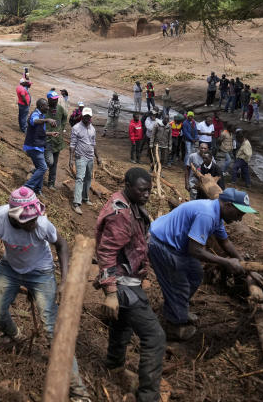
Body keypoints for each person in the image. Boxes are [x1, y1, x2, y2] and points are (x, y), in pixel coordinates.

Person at [0, 188, 90, 401]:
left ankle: (78, 391)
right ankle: (13, 335)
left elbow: (62, 244)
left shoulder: (42, 225)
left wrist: (64, 281)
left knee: (52, 329)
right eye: (28, 221)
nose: (34, 223)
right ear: (14, 217)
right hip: (10, 267)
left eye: (35, 218)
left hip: (41, 272)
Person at [148, 189, 259, 340]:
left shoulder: (217, 214)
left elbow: (225, 242)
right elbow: (195, 251)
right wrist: (226, 262)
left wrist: (246, 266)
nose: (239, 219)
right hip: (162, 245)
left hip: (179, 247)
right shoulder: (207, 214)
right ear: (228, 205)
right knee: (180, 284)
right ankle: (173, 327)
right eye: (239, 214)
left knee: (196, 275)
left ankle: (176, 308)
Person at [94, 169, 165, 402]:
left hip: (128, 279)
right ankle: (148, 396)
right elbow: (106, 252)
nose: (147, 194)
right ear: (127, 185)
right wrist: (111, 293)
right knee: (155, 338)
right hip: (123, 284)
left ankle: (114, 366)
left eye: (149, 190)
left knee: (122, 324)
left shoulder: (129, 202)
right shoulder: (120, 214)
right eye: (142, 190)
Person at [68, 107, 100, 213]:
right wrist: (71, 159)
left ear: (90, 117)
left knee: (88, 178)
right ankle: (76, 203)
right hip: (80, 156)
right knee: (80, 178)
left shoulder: (92, 128)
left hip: (90, 157)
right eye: (85, 116)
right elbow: (72, 144)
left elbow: (94, 143)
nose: (87, 118)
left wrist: (98, 157)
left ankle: (85, 198)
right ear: (82, 116)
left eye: (88, 116)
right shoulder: (76, 128)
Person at [23, 99, 57, 195]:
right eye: (46, 106)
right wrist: (47, 120)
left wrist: (50, 134)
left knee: (39, 168)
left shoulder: (41, 115)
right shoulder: (35, 115)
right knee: (43, 167)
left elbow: (39, 132)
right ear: (41, 106)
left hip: (38, 146)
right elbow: (34, 121)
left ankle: (38, 189)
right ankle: (27, 186)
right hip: (33, 147)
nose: (48, 107)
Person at [43, 90, 68, 190]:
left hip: (57, 141)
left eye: (56, 99)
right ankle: (37, 171)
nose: (55, 101)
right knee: (50, 161)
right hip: (47, 140)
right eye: (53, 100)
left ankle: (51, 183)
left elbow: (65, 117)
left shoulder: (60, 108)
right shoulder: (44, 109)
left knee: (55, 164)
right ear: (48, 100)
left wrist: (61, 128)